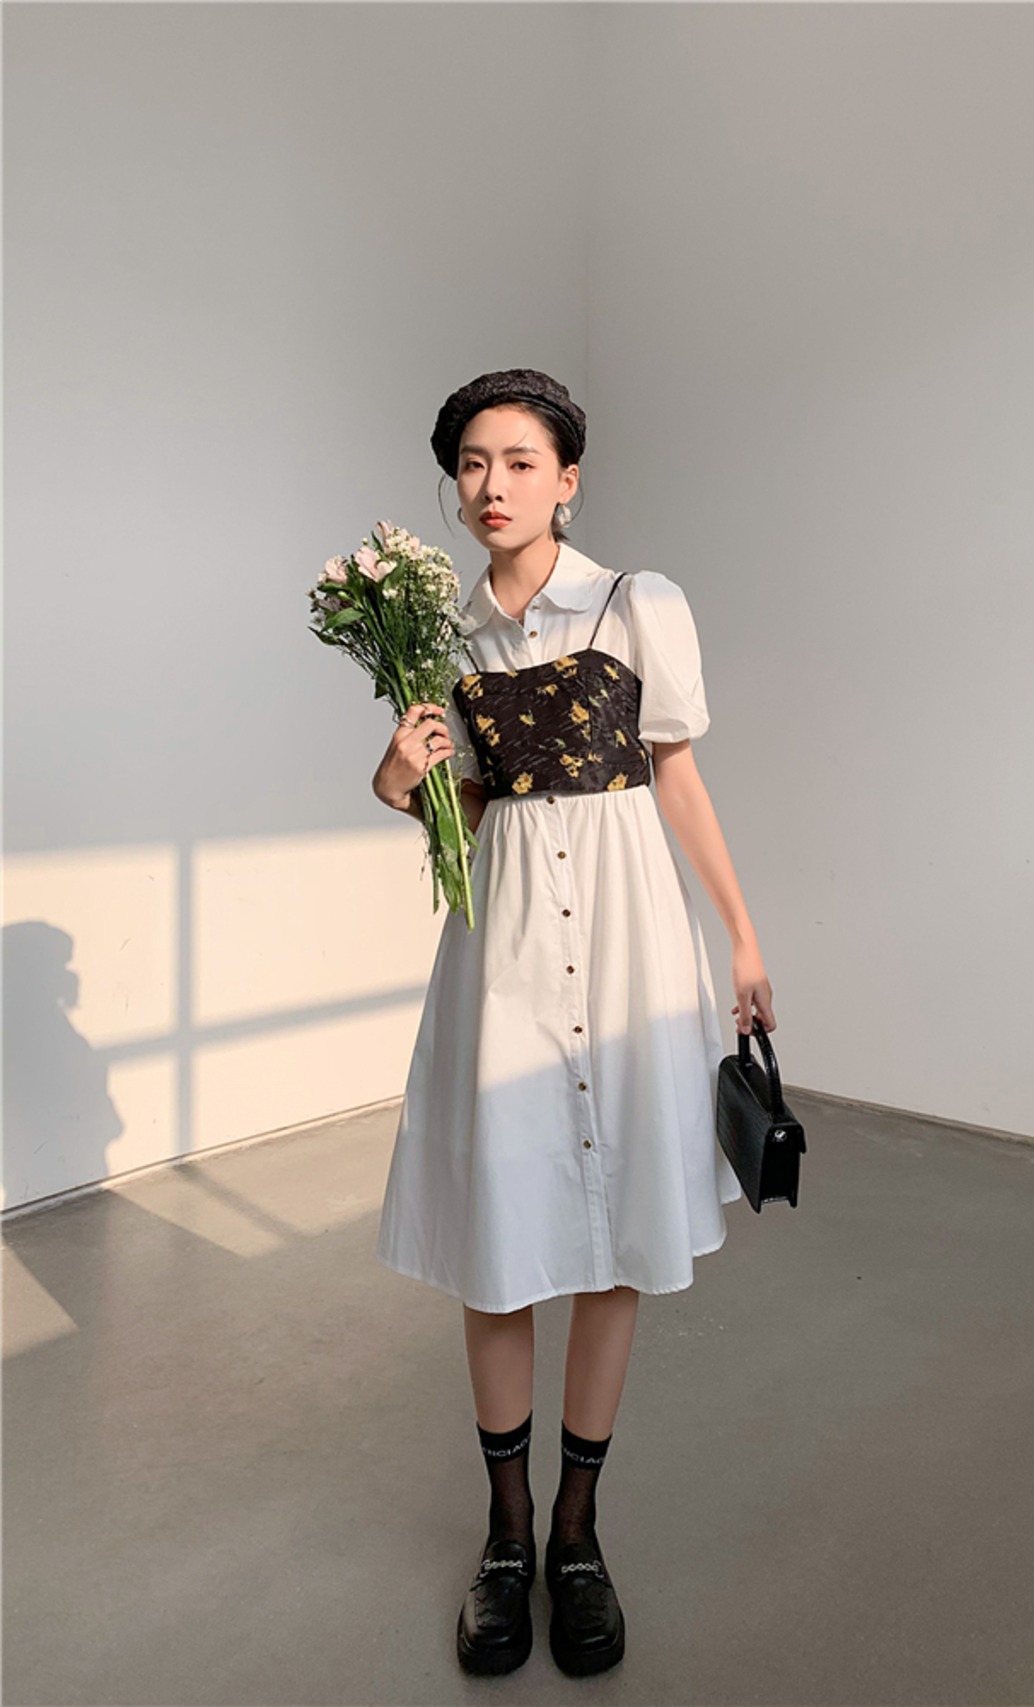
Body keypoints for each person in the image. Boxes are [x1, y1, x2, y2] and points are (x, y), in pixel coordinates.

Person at [370, 368, 775, 1678]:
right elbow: (469, 808)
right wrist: (398, 782)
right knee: (501, 1242)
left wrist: (741, 935)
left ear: (568, 478)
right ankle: (506, 1541)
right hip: (500, 950)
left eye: (520, 461)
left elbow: (676, 773)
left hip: (627, 932)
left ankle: (577, 1538)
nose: (492, 486)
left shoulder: (637, 603)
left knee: (613, 1242)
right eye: (472, 464)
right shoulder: (440, 635)